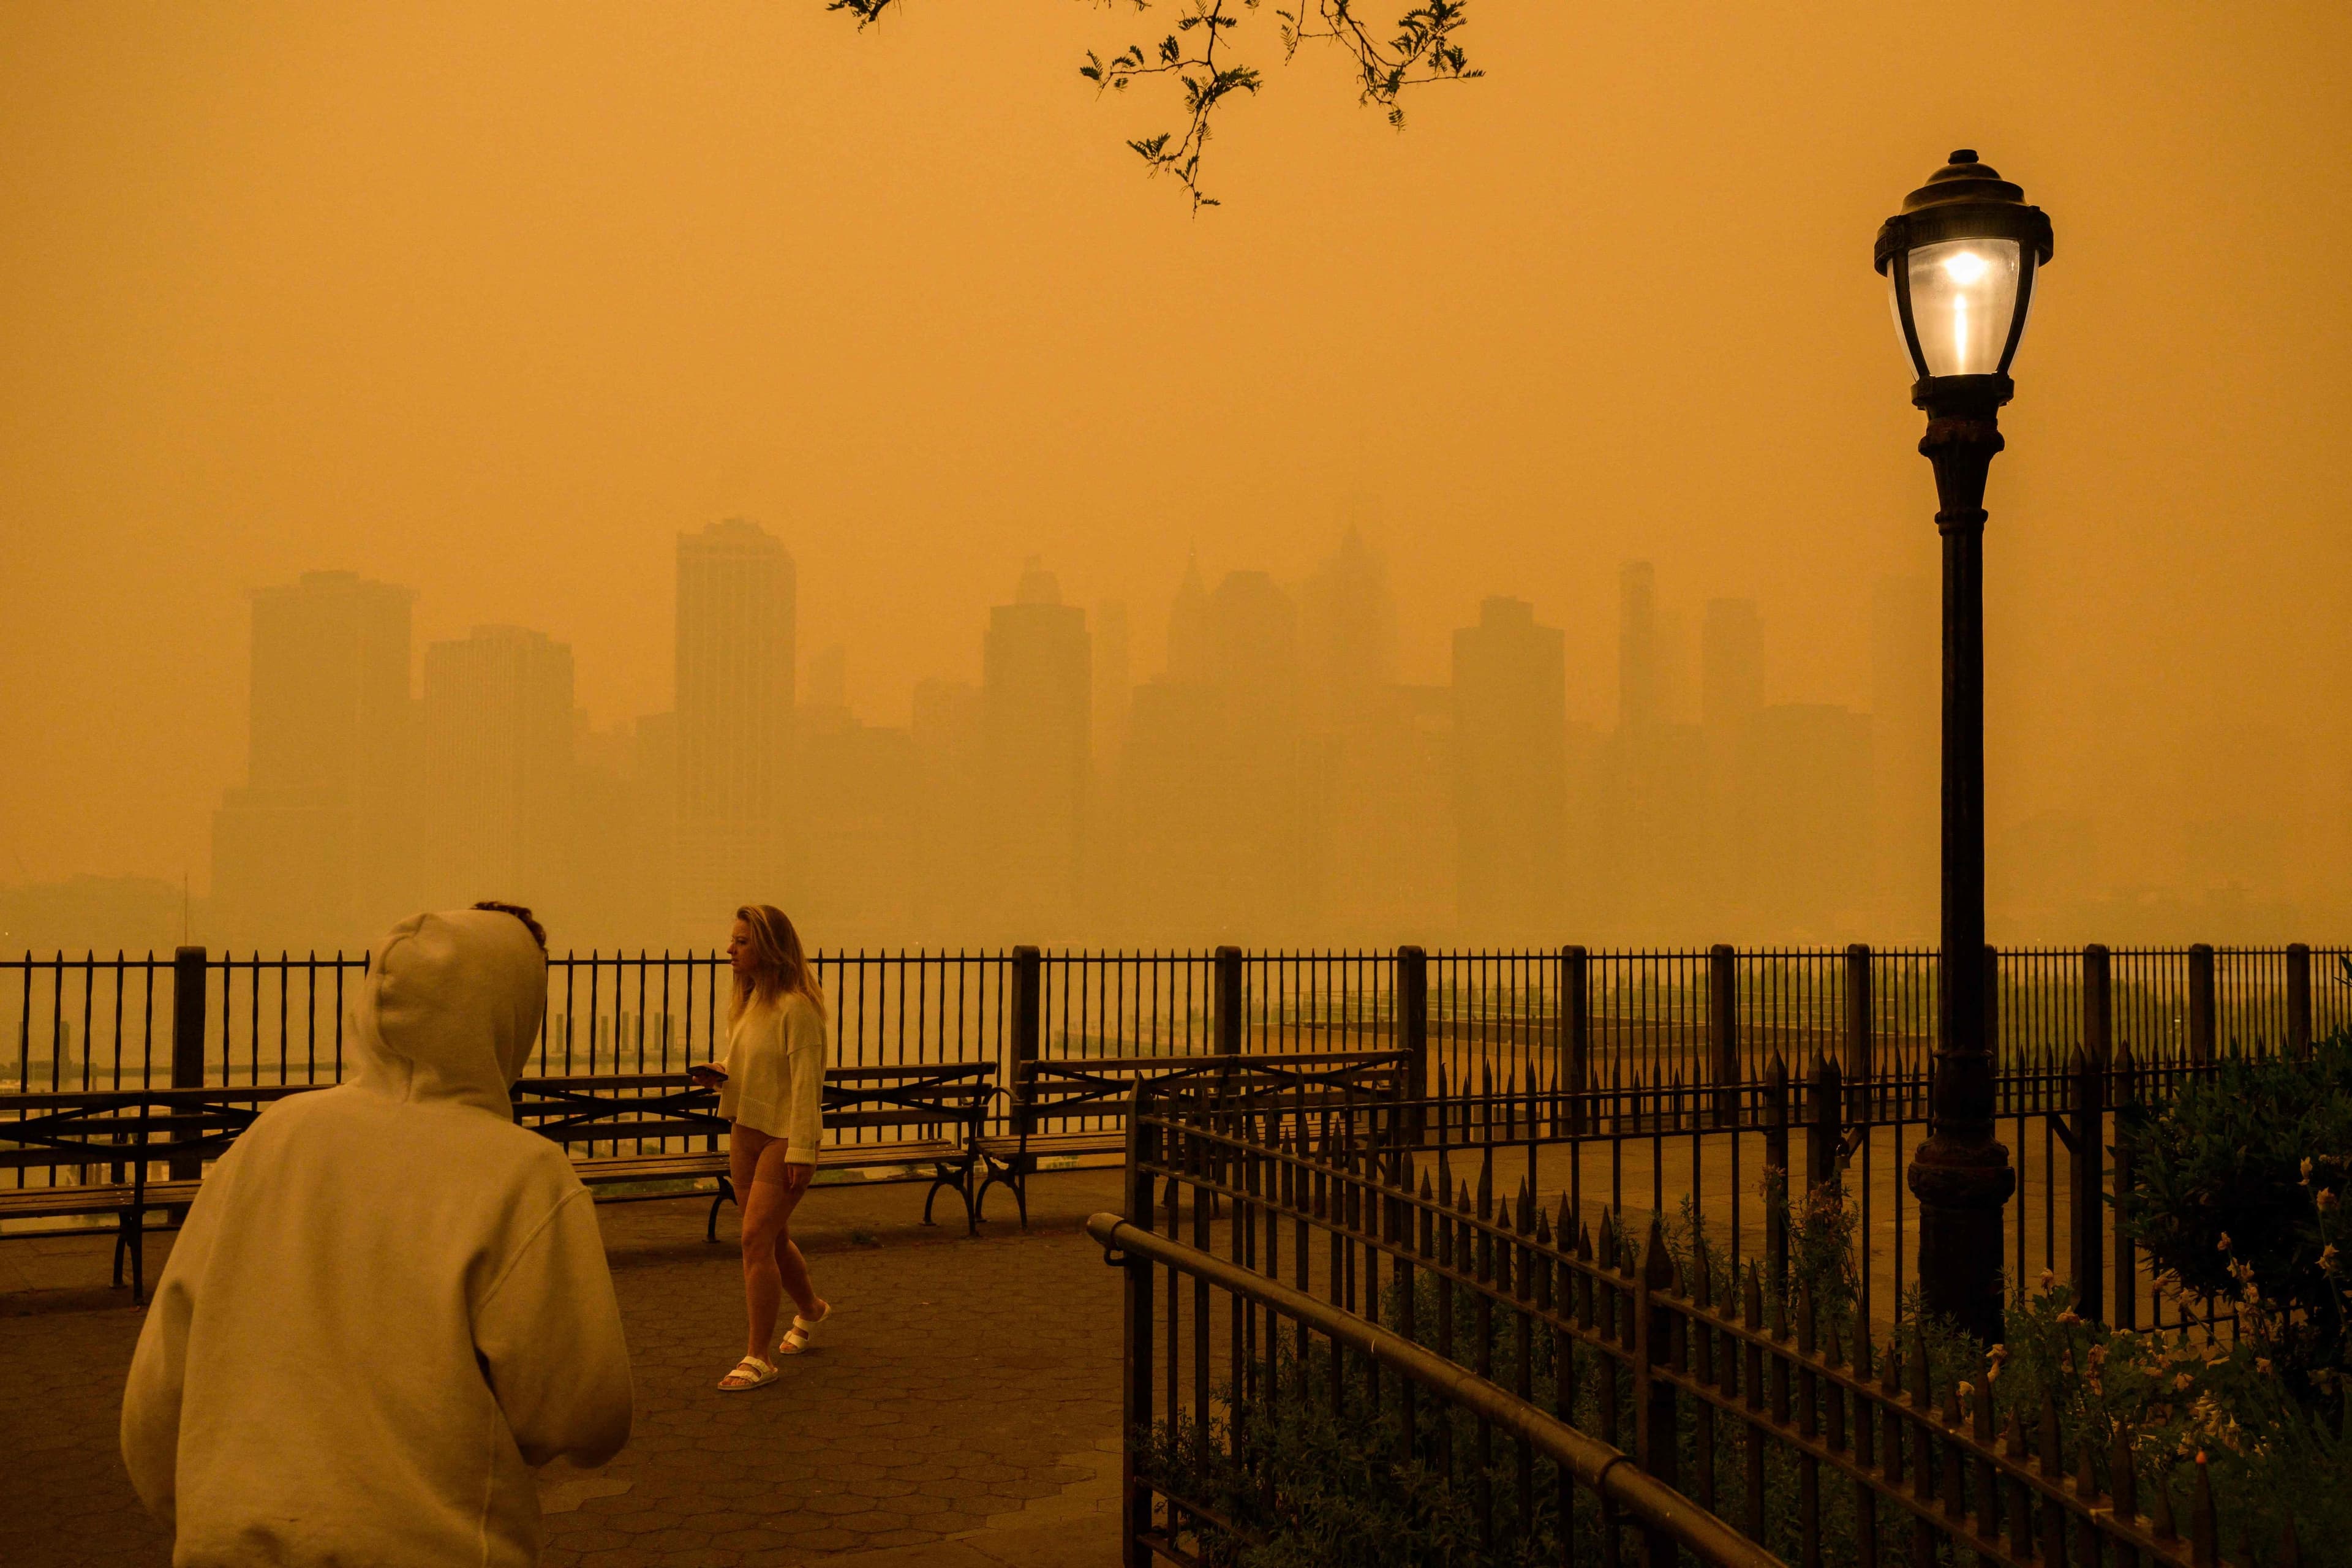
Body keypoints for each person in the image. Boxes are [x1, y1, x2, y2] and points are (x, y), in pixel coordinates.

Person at [121, 904, 633, 1567]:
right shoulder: (521, 1174)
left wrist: (206, 1513)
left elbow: (156, 1399)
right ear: (509, 1016)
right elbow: (586, 1411)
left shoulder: (269, 1140)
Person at [689, 903, 831, 1391]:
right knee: (768, 1238)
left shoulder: (798, 1008)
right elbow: (748, 1059)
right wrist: (721, 1071)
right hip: (745, 1127)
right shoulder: (749, 1002)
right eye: (734, 940)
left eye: (742, 941)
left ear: (768, 947)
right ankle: (811, 1310)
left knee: (753, 1239)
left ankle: (758, 1356)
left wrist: (803, 1152)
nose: (730, 948)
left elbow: (808, 1087)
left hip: (783, 1137)